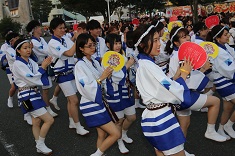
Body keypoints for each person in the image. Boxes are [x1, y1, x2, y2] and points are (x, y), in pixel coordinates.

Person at [133, 24, 192, 156]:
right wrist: (183, 74)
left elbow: (161, 86)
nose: (159, 44)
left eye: (159, 39)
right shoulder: (148, 65)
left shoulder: (144, 63)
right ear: (142, 45)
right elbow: (169, 90)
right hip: (161, 119)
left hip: (152, 116)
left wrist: (176, 76)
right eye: (155, 40)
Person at [167, 27, 227, 148]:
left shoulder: (179, 54)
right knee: (215, 101)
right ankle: (210, 131)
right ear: (176, 43)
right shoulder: (179, 56)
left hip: (179, 93)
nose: (188, 38)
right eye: (183, 37)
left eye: (188, 35)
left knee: (185, 124)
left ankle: (179, 151)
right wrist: (203, 69)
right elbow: (187, 79)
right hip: (183, 94)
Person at [74, 33, 120, 156]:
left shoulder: (93, 61)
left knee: (102, 134)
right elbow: (85, 86)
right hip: (91, 104)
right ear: (81, 48)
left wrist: (107, 75)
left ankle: (99, 153)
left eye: (94, 44)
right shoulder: (80, 65)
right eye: (89, 46)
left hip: (98, 101)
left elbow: (102, 78)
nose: (93, 48)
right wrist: (102, 78)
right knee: (116, 134)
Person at [12, 38, 54, 155]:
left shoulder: (30, 61)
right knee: (49, 120)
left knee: (36, 121)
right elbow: (32, 79)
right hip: (26, 96)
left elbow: (37, 74)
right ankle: (40, 144)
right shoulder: (17, 63)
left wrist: (45, 65)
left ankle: (38, 145)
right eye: (25, 48)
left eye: (29, 47)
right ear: (18, 51)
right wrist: (44, 67)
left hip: (34, 94)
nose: (28, 50)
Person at [47, 17, 89, 135]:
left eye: (64, 27)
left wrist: (76, 38)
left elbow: (73, 50)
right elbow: (70, 52)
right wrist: (77, 39)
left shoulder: (64, 38)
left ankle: (72, 121)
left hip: (70, 72)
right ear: (53, 29)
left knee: (70, 101)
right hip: (62, 75)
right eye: (60, 28)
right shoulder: (52, 43)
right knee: (74, 100)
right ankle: (78, 126)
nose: (63, 30)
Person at [105, 33, 136, 154]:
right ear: (108, 44)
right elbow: (115, 77)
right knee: (119, 119)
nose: (118, 46)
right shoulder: (107, 58)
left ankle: (123, 134)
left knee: (132, 117)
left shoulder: (122, 55)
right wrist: (127, 66)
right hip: (115, 92)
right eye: (115, 43)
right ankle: (119, 141)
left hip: (126, 90)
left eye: (119, 43)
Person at [207, 25, 235, 140]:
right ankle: (229, 125)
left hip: (228, 80)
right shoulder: (218, 50)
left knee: (228, 108)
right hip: (224, 82)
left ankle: (221, 129)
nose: (228, 36)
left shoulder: (226, 47)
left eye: (227, 33)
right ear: (217, 38)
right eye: (225, 34)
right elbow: (229, 70)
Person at [26, 20, 59, 116]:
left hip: (46, 65)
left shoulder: (41, 39)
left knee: (49, 87)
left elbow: (48, 49)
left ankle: (50, 103)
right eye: (39, 27)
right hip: (39, 67)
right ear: (35, 29)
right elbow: (46, 51)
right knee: (44, 89)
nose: (41, 28)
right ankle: (47, 109)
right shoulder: (33, 42)